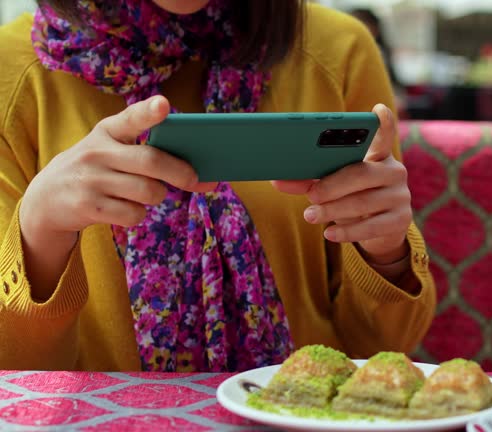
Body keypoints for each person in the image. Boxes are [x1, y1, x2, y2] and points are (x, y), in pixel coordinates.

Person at [0, 0, 436, 372]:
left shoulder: (337, 52)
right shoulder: (13, 71)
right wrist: (40, 229)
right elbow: (17, 374)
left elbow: (383, 353)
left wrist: (385, 251)